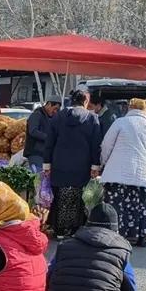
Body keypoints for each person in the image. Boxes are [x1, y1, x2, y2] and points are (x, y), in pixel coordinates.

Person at [100, 98, 146, 246]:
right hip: (141, 175)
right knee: (139, 205)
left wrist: (103, 162)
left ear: (129, 108)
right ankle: (141, 236)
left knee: (117, 205)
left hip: (117, 173)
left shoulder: (120, 123)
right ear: (145, 110)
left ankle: (116, 233)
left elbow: (106, 145)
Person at [43, 89, 101, 237]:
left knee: (61, 195)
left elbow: (49, 143)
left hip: (59, 163)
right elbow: (96, 145)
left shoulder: (58, 117)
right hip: (82, 164)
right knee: (79, 196)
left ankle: (59, 229)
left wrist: (47, 164)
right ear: (85, 101)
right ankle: (76, 229)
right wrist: (95, 166)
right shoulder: (91, 118)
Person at [25, 96, 60, 172]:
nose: (55, 112)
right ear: (49, 104)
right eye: (55, 108)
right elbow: (33, 131)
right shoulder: (37, 115)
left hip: (45, 154)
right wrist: (49, 138)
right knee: (39, 177)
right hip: (35, 153)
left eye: (57, 110)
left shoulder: (50, 117)